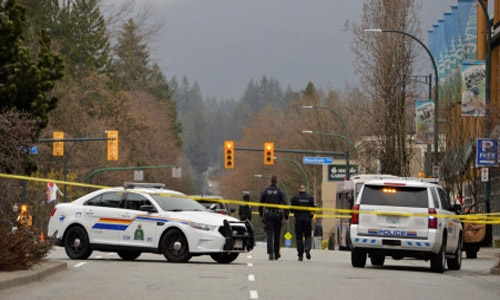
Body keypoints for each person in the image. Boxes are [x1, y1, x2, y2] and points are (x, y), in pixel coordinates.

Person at [259, 175, 289, 260]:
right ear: (277, 181)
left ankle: (270, 253)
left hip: (268, 214)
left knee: (269, 234)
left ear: (270, 181)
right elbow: (285, 203)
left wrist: (261, 214)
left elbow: (261, 203)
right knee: (277, 234)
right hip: (277, 214)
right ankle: (276, 253)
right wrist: (286, 216)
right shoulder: (280, 191)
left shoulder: (265, 191)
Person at [290, 184, 315, 261]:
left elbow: (291, 209)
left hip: (298, 219)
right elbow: (313, 209)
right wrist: (310, 216)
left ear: (299, 189)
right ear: (305, 189)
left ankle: (300, 254)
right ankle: (307, 248)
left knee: (299, 237)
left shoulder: (295, 198)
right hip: (307, 219)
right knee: (308, 235)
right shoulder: (310, 198)